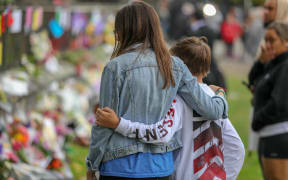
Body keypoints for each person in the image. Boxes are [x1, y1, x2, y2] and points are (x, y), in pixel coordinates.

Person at [86, 1, 228, 180]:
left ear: (125, 29)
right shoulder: (175, 66)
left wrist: (92, 163)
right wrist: (220, 94)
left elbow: (104, 123)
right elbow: (211, 110)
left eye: (117, 28)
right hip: (161, 167)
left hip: (118, 166)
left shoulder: (115, 67)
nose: (116, 33)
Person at [96, 37, 244, 180]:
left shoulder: (177, 100)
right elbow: (237, 148)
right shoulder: (215, 99)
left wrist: (118, 124)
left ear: (178, 68)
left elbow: (160, 133)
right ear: (206, 69)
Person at [251, 22, 288, 180]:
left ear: (286, 41)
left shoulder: (285, 65)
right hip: (268, 134)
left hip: (278, 134)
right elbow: (253, 81)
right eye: (265, 40)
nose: (267, 45)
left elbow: (278, 102)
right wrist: (261, 61)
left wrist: (257, 120)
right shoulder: (274, 63)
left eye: (271, 40)